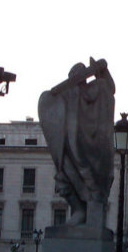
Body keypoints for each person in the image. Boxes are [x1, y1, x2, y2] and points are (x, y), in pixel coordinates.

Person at [38, 57, 116, 227]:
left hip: (90, 149)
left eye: (77, 74)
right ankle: (79, 209)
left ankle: (88, 210)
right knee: (64, 173)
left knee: (89, 180)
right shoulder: (66, 95)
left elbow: (110, 88)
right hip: (70, 147)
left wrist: (102, 70)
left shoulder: (98, 89)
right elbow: (52, 107)